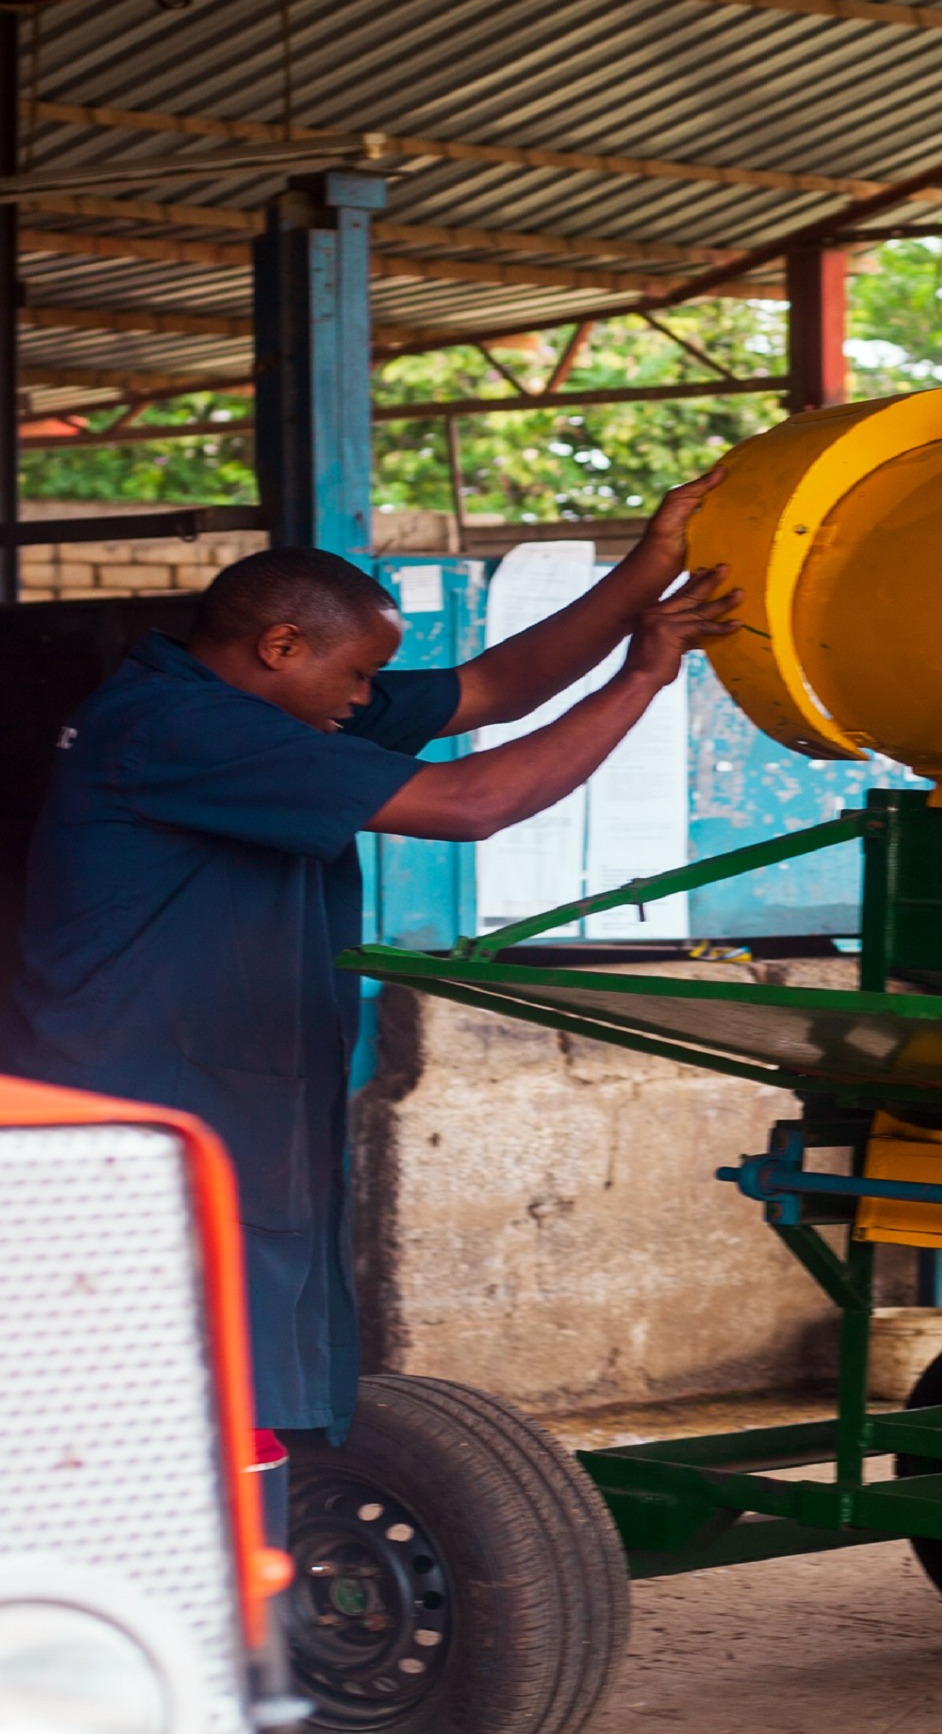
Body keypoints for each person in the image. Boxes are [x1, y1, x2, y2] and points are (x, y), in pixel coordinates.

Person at [0, 477, 740, 1464]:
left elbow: (494, 687)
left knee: (242, 1367)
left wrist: (652, 564)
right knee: (153, 1377)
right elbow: (473, 801)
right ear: (281, 648)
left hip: (219, 1093)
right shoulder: (183, 729)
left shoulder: (269, 707)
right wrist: (641, 679)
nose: (365, 700)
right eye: (357, 676)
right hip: (140, 1103)